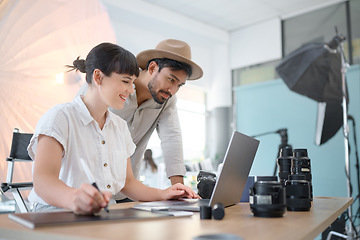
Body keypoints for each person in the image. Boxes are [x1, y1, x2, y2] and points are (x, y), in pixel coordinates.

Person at [27, 42, 199, 214]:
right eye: (125, 81)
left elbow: (128, 182)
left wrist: (165, 193)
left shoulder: (119, 127)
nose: (131, 90)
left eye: (132, 82)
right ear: (98, 77)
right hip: (55, 212)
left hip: (102, 212)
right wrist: (74, 197)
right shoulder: (60, 117)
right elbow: (43, 181)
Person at [110, 39, 203, 192]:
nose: (172, 90)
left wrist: (179, 190)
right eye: (171, 79)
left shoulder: (168, 100)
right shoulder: (113, 85)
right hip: (90, 188)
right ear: (153, 68)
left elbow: (171, 137)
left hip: (127, 190)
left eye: (179, 85)